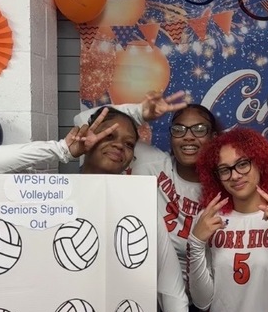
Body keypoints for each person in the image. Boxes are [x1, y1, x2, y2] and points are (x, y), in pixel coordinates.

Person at [0, 98, 190, 312]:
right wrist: (63, 150)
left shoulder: (141, 205)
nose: (119, 146)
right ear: (88, 136)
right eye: (108, 136)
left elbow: (170, 288)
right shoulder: (52, 193)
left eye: (129, 144)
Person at [186, 128, 268, 312]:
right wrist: (195, 243)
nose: (235, 176)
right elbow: (202, 302)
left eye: (242, 164)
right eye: (224, 170)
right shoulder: (209, 218)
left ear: (260, 162)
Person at [79, 101, 222, 268]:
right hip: (142, 281)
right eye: (178, 129)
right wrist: (141, 112)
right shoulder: (150, 161)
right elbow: (82, 119)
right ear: (171, 137)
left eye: (199, 129)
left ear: (214, 137)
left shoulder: (226, 184)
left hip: (202, 287)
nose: (188, 136)